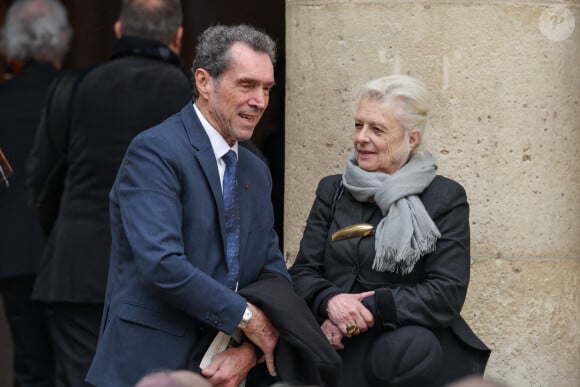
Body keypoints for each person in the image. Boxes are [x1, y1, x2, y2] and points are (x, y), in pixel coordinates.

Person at [86, 24, 292, 387]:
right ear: (203, 82)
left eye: (266, 88)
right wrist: (246, 318)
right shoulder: (155, 152)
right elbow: (162, 265)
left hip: (225, 369)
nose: (259, 100)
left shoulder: (256, 170)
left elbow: (272, 273)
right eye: (246, 85)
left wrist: (248, 351)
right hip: (149, 367)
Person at [25, 0, 191, 385]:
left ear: (118, 30)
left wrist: (64, 236)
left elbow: (40, 181)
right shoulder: (194, 98)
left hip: (77, 270)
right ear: (178, 37)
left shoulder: (72, 87)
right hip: (165, 280)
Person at [289, 74, 491, 387]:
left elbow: (445, 293)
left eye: (377, 129)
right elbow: (303, 272)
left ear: (412, 138)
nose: (361, 138)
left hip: (403, 352)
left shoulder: (444, 197)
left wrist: (364, 311)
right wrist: (331, 302)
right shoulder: (332, 190)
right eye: (358, 125)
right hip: (331, 342)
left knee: (402, 357)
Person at [0, 0, 72, 385]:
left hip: (13, 255)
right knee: (77, 362)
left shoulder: (3, 101)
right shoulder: (77, 92)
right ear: (62, 38)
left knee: (29, 363)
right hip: (71, 254)